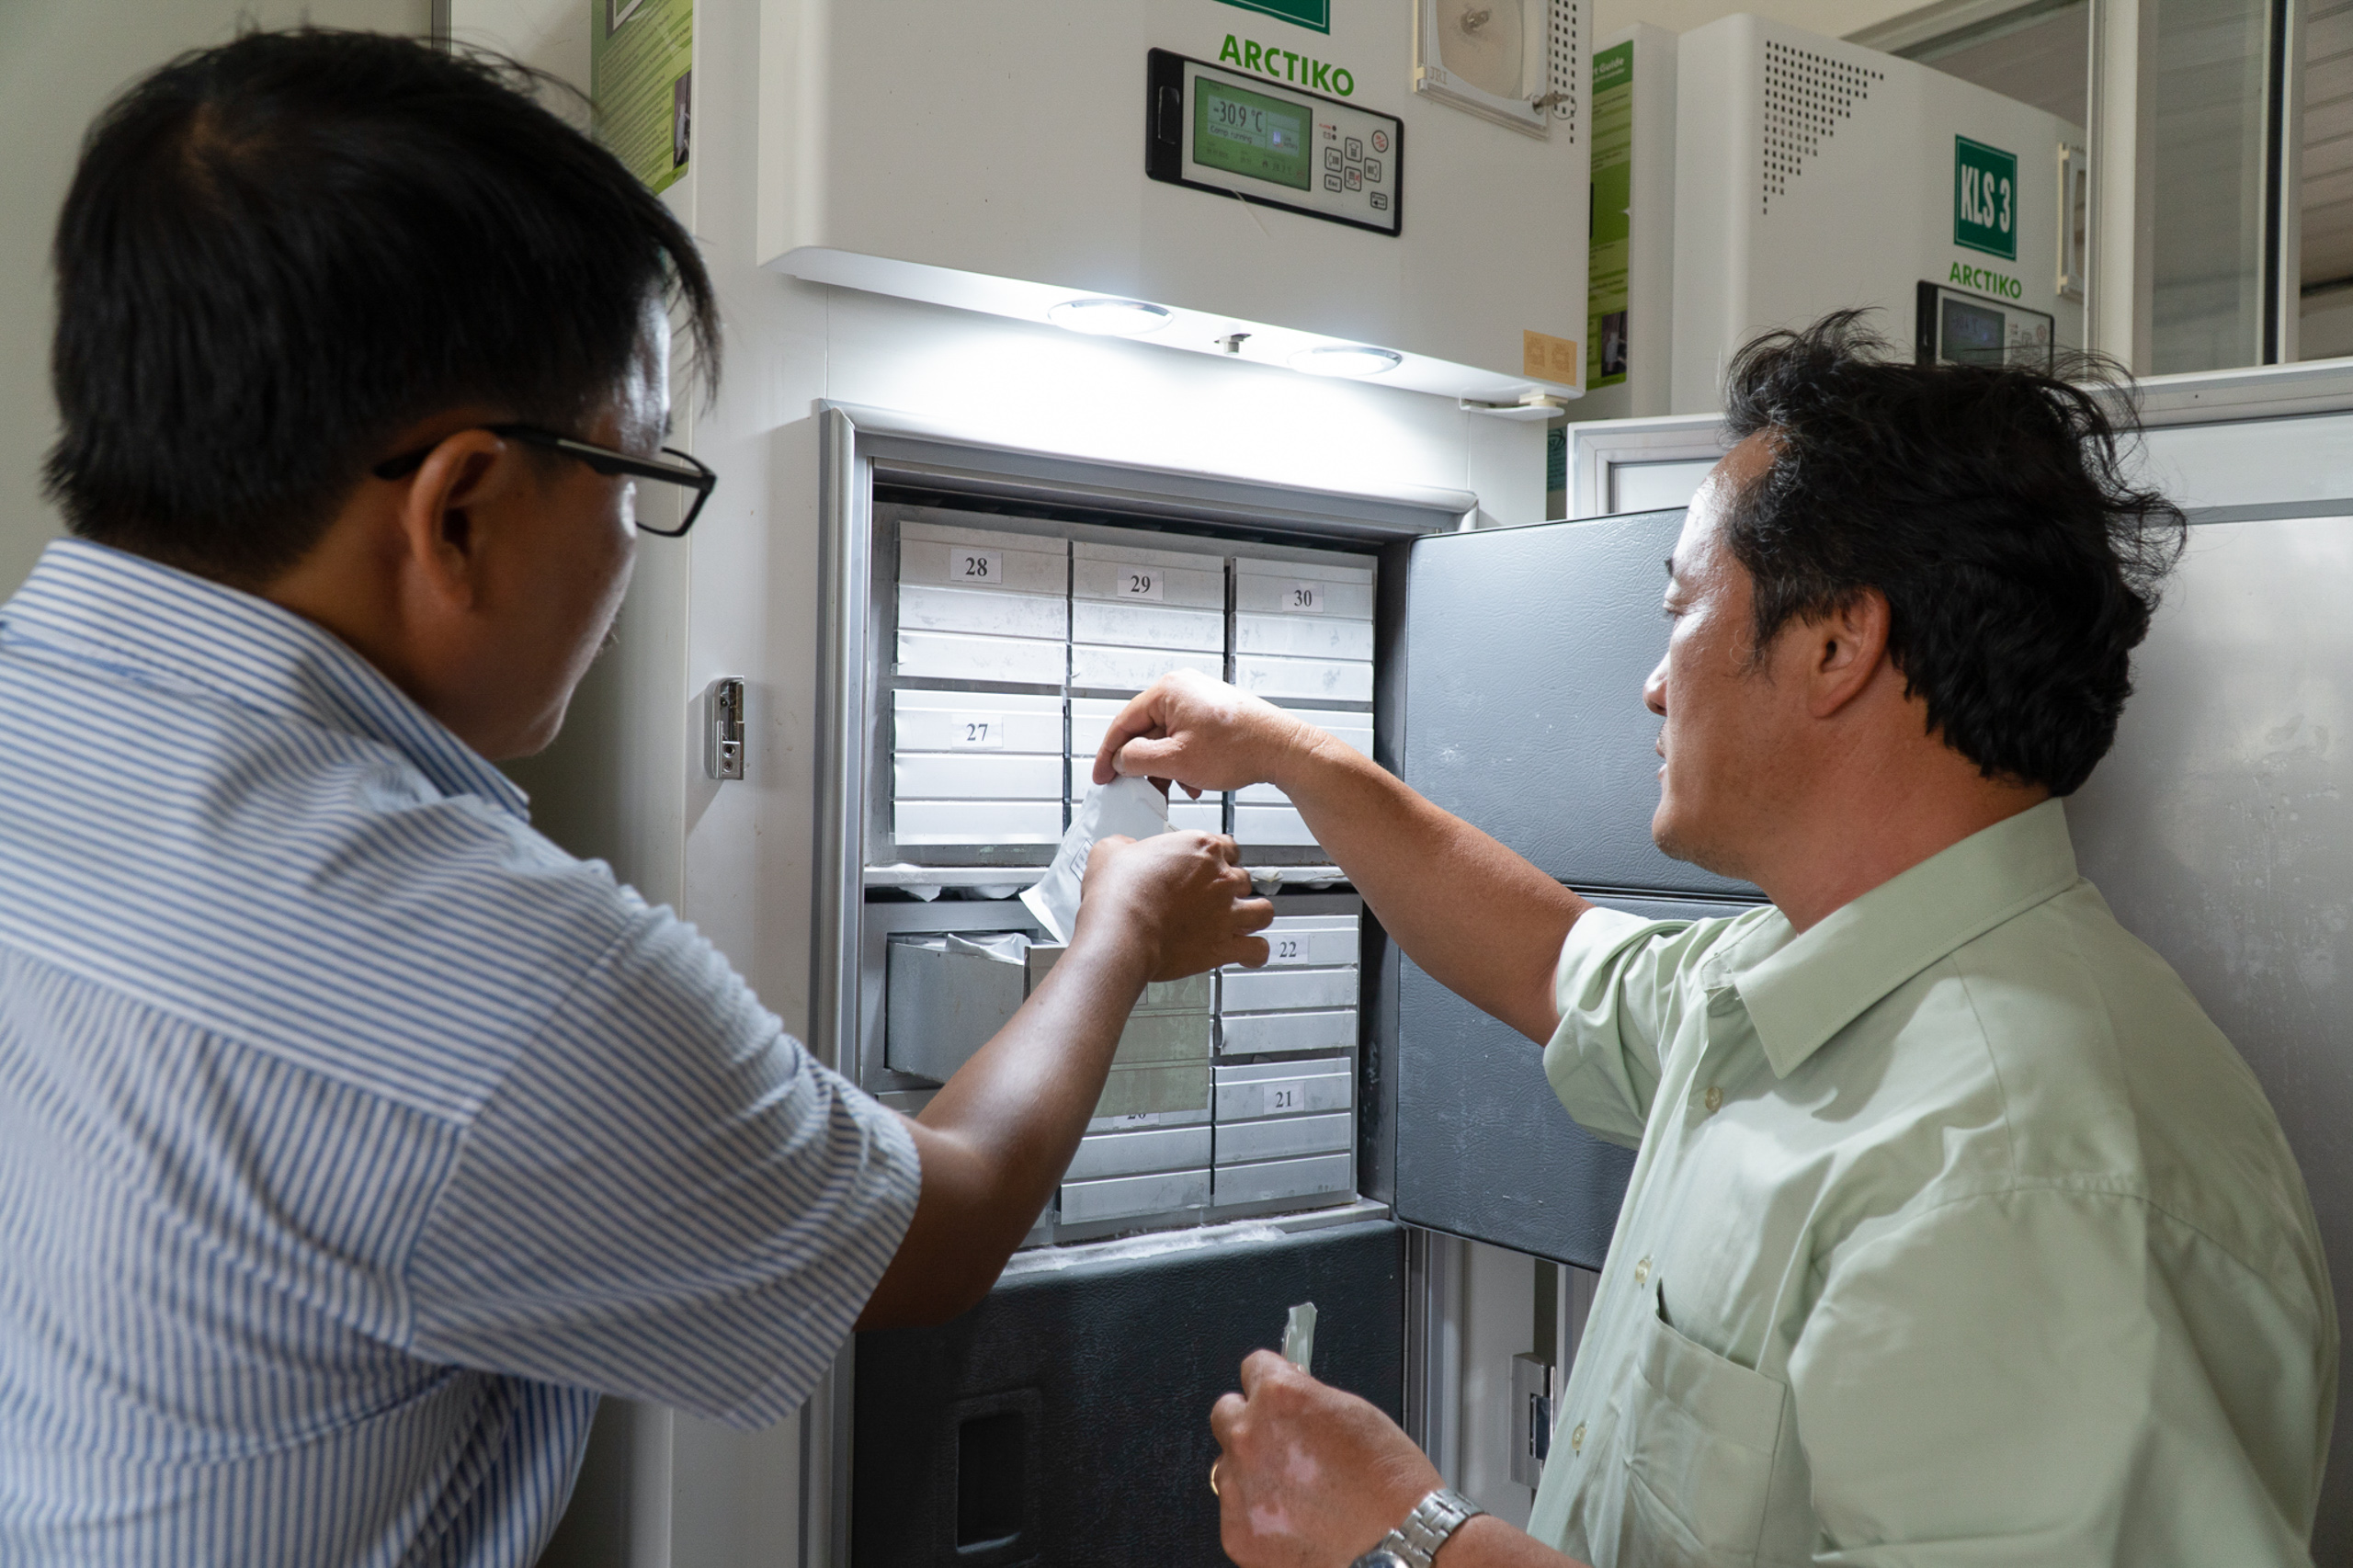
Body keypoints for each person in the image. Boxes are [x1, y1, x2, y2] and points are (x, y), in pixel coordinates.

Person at [0, 29, 1268, 1566]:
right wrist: (1116, 935)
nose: (627, 555)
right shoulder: (490, 967)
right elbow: (943, 1226)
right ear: (461, 511)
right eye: (635, 483)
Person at [1101, 317, 2338, 1567]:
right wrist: (1281, 750)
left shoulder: (2023, 1177)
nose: (1652, 681)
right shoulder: (1800, 981)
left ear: (1837, 645)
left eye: (1683, 606)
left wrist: (1413, 1533)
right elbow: (1550, 959)